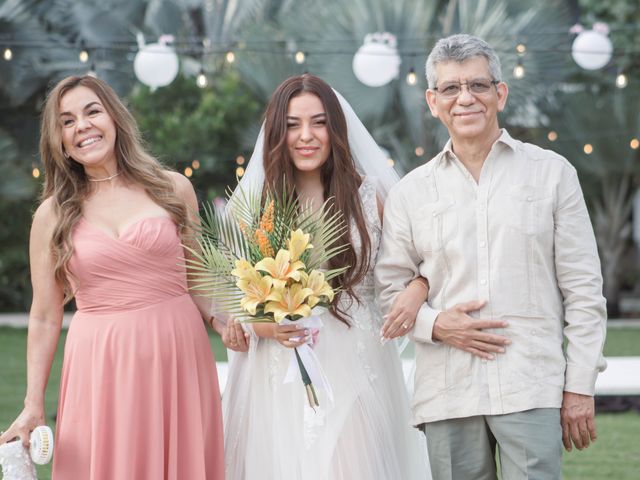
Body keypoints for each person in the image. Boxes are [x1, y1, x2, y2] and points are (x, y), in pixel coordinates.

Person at [375, 33, 607, 479]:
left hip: (530, 384)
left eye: (478, 85)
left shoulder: (552, 174)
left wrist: (579, 387)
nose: (465, 98)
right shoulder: (410, 194)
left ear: (500, 92)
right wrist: (437, 324)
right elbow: (388, 291)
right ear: (432, 100)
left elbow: (583, 290)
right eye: (450, 88)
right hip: (447, 391)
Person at [0, 75, 225, 479]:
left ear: (115, 118)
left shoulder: (173, 189)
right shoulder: (52, 214)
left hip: (176, 354)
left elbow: (198, 280)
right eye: (67, 121)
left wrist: (224, 320)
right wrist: (34, 401)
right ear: (60, 141)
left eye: (92, 112)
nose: (82, 126)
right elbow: (45, 315)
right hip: (99, 364)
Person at [221, 74, 432, 480]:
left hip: (356, 365)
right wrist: (259, 325)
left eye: (318, 122)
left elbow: (423, 266)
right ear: (276, 132)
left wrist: (419, 287)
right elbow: (235, 304)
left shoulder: (372, 199)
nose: (306, 136)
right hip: (277, 376)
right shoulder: (253, 208)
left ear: (336, 128)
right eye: (293, 125)